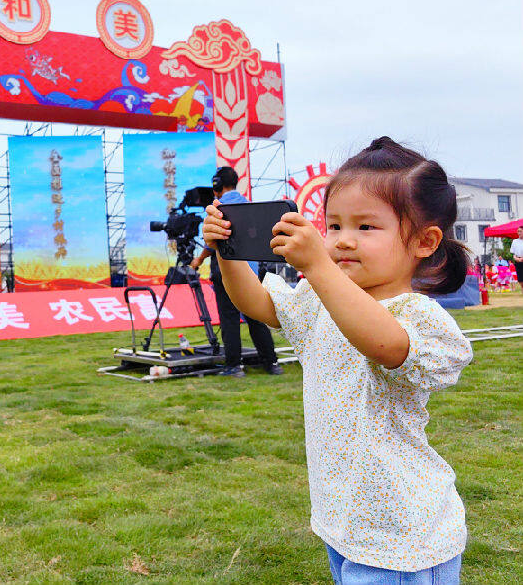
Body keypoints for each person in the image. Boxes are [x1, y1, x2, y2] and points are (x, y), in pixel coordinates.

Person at [202, 137, 471, 583]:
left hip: (400, 535)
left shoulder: (416, 315)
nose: (344, 241)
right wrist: (226, 254)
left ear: (425, 241)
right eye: (334, 225)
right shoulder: (319, 299)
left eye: (366, 228)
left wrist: (320, 267)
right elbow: (259, 305)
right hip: (345, 522)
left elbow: (385, 345)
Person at [191, 167, 282, 376]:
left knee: (229, 319)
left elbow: (211, 242)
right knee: (256, 316)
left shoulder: (219, 209)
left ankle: (234, 366)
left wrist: (198, 260)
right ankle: (271, 363)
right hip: (253, 270)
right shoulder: (248, 205)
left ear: (217, 185)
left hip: (227, 271)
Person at [511, 225, 523, 293]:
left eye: (520, 231)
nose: (519, 233)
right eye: (518, 231)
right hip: (518, 261)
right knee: (520, 279)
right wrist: (516, 258)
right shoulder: (515, 241)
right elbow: (513, 253)